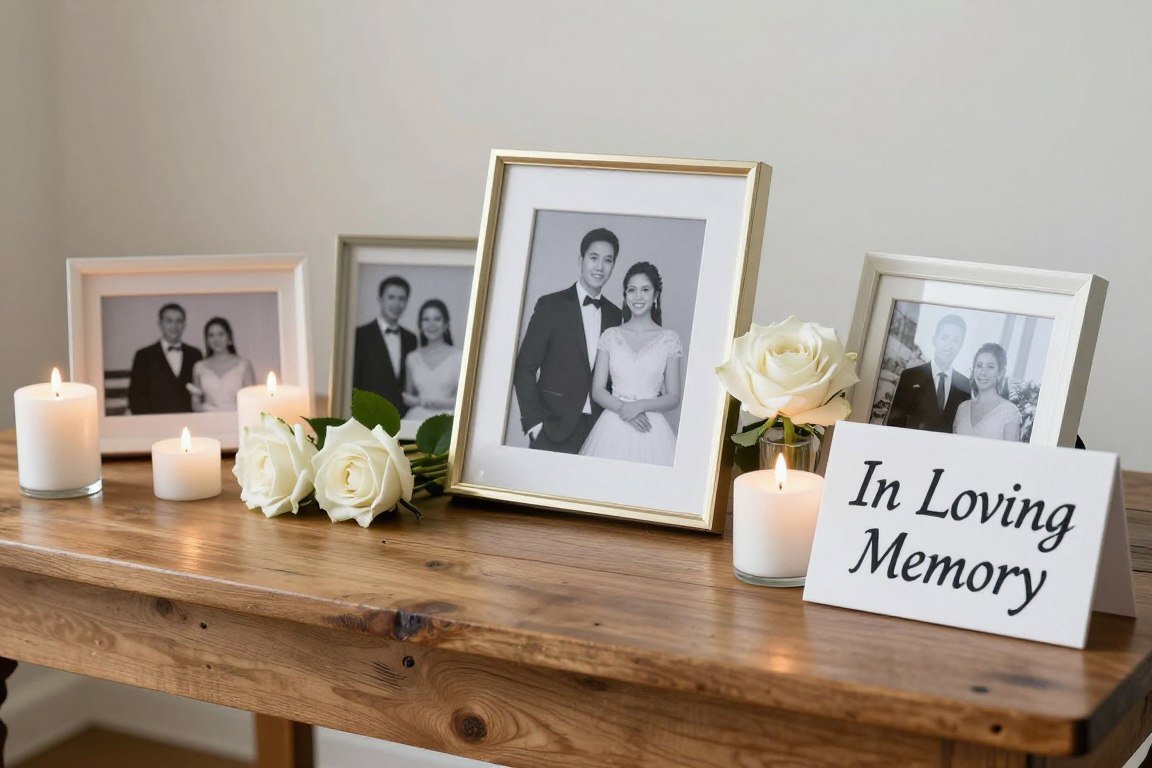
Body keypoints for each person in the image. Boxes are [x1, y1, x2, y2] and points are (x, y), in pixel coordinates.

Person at [513, 227, 623, 453]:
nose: (600, 267)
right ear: (581, 260)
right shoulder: (550, 306)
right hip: (552, 428)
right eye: (594, 258)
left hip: (599, 430)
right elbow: (524, 367)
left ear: (613, 266)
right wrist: (534, 425)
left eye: (608, 260)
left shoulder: (615, 315)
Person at [580, 262, 681, 465]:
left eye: (645, 290)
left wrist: (639, 406)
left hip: (651, 427)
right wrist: (624, 409)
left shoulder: (669, 339)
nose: (638, 296)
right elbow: (598, 390)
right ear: (625, 295)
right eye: (632, 290)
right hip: (611, 425)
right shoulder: (610, 336)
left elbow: (673, 397)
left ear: (656, 295)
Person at [886, 314, 971, 432]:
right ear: (934, 339)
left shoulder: (965, 385)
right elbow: (894, 425)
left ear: (961, 345)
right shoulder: (910, 377)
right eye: (944, 337)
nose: (949, 346)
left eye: (956, 340)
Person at [353, 275, 418, 416]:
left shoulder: (411, 339)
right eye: (391, 297)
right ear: (380, 299)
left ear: (407, 302)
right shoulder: (359, 335)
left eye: (402, 299)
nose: (396, 304)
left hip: (402, 417)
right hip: (368, 416)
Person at [127, 303, 203, 414]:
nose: (174, 326)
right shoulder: (143, 355)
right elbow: (136, 397)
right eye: (169, 321)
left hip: (188, 419)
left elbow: (201, 393)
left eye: (179, 321)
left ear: (184, 325)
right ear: (160, 324)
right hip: (156, 420)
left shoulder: (195, 354)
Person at [402, 299, 463, 422]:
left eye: (437, 319)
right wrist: (417, 401)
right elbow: (407, 397)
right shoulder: (412, 357)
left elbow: (465, 400)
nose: (431, 324)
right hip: (416, 419)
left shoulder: (459, 356)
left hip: (447, 419)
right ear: (420, 325)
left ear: (446, 324)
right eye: (426, 319)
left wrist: (431, 403)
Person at [953, 343, 1022, 441]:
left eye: (990, 367)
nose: (983, 372)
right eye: (979, 365)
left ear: (1000, 373)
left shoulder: (1009, 412)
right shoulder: (962, 408)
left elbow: (1010, 450)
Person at [188, 317, 256, 412]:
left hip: (236, 416)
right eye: (211, 335)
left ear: (229, 337)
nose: (216, 340)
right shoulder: (199, 367)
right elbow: (195, 403)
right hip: (208, 418)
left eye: (221, 334)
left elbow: (251, 399)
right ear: (207, 339)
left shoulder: (243, 364)